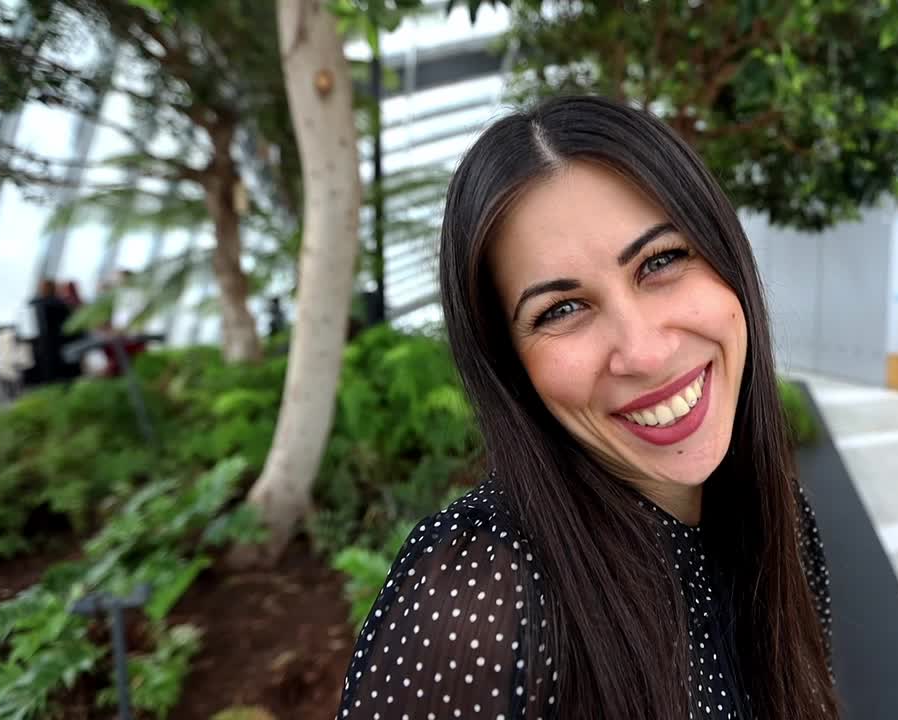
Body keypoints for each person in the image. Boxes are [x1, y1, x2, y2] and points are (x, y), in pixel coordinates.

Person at [334, 96, 839, 720]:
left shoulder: (784, 522)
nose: (645, 353)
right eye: (561, 310)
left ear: (727, 258)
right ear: (511, 366)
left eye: (661, 261)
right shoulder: (479, 596)